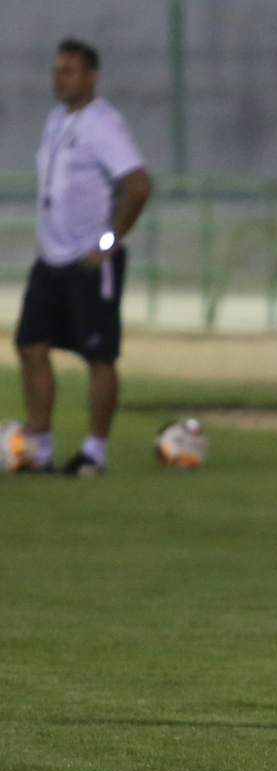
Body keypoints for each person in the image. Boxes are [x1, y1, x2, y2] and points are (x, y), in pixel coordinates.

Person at [11, 38, 152, 476]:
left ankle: (95, 451)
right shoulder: (57, 120)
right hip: (51, 257)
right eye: (57, 70)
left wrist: (107, 243)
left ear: (91, 76)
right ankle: (39, 446)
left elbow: (139, 185)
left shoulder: (103, 124)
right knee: (30, 345)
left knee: (99, 355)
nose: (60, 78)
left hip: (90, 260)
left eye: (69, 71)